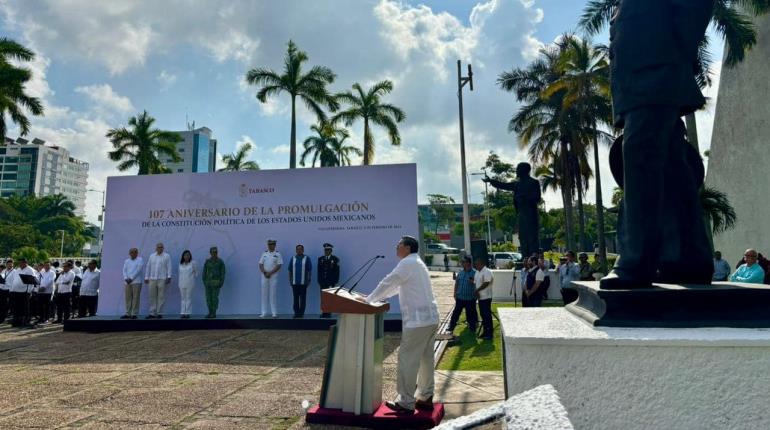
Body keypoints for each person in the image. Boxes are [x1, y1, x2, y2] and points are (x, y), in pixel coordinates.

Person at [601, 0, 714, 289]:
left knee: (640, 163)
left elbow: (696, 7)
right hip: (638, 89)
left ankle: (636, 262)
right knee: (674, 171)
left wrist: (676, 55)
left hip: (658, 78)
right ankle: (690, 259)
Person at [360, 235, 439, 413]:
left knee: (407, 359)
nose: (396, 246)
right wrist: (379, 298)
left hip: (418, 322)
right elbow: (398, 287)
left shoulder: (407, 263)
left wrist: (369, 300)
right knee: (426, 359)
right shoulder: (417, 262)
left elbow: (389, 281)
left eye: (399, 244)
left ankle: (406, 402)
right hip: (430, 318)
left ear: (408, 248)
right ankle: (425, 397)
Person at [483, 163, 542, 258]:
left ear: (524, 170)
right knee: (522, 237)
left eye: (518, 169)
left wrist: (524, 198)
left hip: (531, 214)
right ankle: (525, 258)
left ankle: (533, 257)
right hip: (521, 214)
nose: (516, 171)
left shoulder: (534, 182)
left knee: (532, 236)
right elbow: (504, 185)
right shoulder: (517, 184)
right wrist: (491, 181)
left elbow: (537, 198)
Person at [446, 256, 477, 335]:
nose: (462, 263)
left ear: (468, 263)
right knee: (456, 313)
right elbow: (457, 283)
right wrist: (455, 293)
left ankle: (472, 327)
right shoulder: (460, 272)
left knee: (470, 314)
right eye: (462, 262)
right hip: (460, 297)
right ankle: (451, 326)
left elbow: (478, 284)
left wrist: (473, 282)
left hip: (470, 298)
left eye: (464, 262)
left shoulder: (475, 273)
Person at [144, 243, 172, 319]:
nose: (160, 248)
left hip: (162, 278)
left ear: (163, 248)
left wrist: (169, 276)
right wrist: (146, 277)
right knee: (152, 296)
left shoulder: (167, 256)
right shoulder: (152, 256)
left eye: (161, 247)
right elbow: (148, 266)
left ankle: (159, 313)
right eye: (158, 247)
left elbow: (169, 266)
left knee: (161, 296)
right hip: (152, 278)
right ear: (156, 248)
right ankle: (152, 313)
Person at [259, 238, 283, 318]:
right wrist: (265, 272)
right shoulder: (264, 253)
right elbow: (260, 264)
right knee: (264, 294)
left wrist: (270, 273)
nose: (270, 246)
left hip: (273, 276)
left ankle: (274, 312)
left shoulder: (278, 254)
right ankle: (264, 312)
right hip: (264, 276)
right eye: (269, 244)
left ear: (275, 245)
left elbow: (279, 265)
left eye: (272, 244)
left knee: (273, 294)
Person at [288, 244, 312, 318]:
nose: (299, 250)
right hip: (295, 282)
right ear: (296, 250)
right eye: (297, 249)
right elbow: (289, 270)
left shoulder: (307, 258)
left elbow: (309, 270)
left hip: (303, 283)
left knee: (303, 299)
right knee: (295, 298)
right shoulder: (293, 258)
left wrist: (309, 280)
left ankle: (301, 313)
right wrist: (290, 280)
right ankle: (296, 313)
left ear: (303, 250)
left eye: (300, 249)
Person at [8, 258, 34, 327]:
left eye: (21, 263)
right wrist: (12, 289)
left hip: (25, 292)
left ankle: (25, 322)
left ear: (25, 263)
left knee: (24, 308)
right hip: (16, 291)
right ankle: (16, 321)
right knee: (16, 307)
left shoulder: (30, 270)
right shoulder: (18, 269)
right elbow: (14, 279)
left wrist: (29, 292)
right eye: (19, 262)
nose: (20, 264)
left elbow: (32, 281)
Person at [317, 243, 340, 318]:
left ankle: (329, 313)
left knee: (329, 298)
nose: (326, 251)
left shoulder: (335, 259)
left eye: (328, 250)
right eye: (325, 250)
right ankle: (324, 312)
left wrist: (334, 281)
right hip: (323, 282)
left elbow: (337, 271)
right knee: (323, 298)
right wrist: (319, 281)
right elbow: (319, 271)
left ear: (331, 250)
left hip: (331, 282)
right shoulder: (320, 259)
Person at [474, 257, 494, 340]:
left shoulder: (487, 271)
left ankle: (489, 333)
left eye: (477, 264)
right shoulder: (477, 272)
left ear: (482, 264)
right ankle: (485, 332)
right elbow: (477, 282)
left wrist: (477, 290)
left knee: (487, 315)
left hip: (486, 297)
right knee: (483, 315)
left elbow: (486, 283)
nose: (475, 266)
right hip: (480, 297)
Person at [202, 246, 226, 319]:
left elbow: (223, 272)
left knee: (214, 298)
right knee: (208, 298)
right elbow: (204, 272)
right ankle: (210, 312)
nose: (214, 253)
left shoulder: (220, 262)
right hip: (208, 283)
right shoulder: (207, 262)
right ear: (210, 253)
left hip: (216, 283)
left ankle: (214, 313)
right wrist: (204, 281)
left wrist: (221, 282)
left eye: (216, 252)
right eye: (213, 252)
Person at [121, 248, 143, 319]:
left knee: (136, 298)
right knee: (128, 298)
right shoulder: (126, 261)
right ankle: (128, 313)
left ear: (137, 253)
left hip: (136, 281)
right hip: (127, 282)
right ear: (129, 253)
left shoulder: (140, 260)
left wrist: (131, 278)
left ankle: (134, 313)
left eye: (134, 252)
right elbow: (124, 270)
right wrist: (125, 278)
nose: (133, 253)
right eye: (131, 252)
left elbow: (138, 270)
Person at [178, 250, 197, 319]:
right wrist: (179, 283)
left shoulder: (193, 263)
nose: (187, 256)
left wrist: (191, 278)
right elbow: (180, 274)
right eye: (185, 255)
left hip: (190, 283)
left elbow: (196, 273)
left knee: (188, 298)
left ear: (190, 256)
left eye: (188, 255)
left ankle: (187, 313)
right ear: (183, 256)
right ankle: (182, 313)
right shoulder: (181, 264)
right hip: (181, 283)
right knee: (183, 298)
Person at [0, 259, 13, 323]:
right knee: (1, 304)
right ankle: (1, 317)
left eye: (11, 265)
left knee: (6, 305)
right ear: (6, 265)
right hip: (1, 289)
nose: (10, 266)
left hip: (8, 290)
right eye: (8, 265)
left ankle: (3, 318)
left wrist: (5, 282)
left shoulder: (14, 272)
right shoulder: (4, 271)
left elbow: (13, 282)